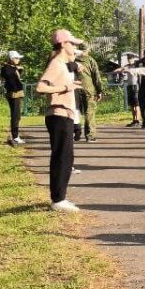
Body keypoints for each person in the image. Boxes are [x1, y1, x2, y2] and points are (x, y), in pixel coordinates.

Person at [35, 29, 84, 211]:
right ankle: (58, 200)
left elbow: (74, 63)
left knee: (66, 156)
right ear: (63, 44)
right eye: (72, 43)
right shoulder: (56, 64)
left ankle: (60, 198)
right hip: (58, 115)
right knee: (62, 157)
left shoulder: (63, 64)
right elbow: (40, 87)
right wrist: (65, 87)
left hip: (65, 115)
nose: (75, 47)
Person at [73, 43, 104, 142]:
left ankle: (76, 132)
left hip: (74, 88)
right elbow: (96, 77)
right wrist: (99, 90)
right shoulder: (90, 60)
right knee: (89, 111)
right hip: (88, 89)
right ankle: (90, 135)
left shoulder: (73, 60)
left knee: (75, 110)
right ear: (87, 50)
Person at [0, 50, 25, 145]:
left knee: (17, 116)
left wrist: (18, 69)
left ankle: (16, 136)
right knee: (15, 116)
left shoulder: (12, 67)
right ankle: (15, 137)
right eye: (17, 58)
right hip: (13, 93)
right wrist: (15, 68)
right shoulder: (7, 68)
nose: (18, 60)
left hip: (17, 93)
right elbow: (7, 73)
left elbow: (16, 74)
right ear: (12, 59)